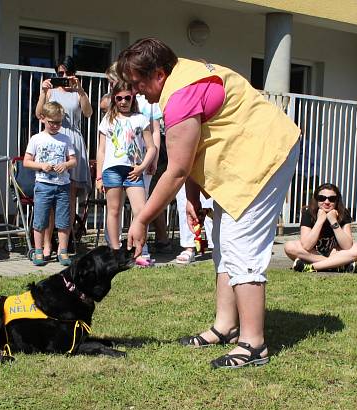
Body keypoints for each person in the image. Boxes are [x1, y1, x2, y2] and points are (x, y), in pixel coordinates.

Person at [118, 37, 301, 369]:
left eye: (137, 82)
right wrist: (192, 197)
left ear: (158, 73)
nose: (135, 91)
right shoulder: (180, 80)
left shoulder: (181, 94)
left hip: (265, 156)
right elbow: (192, 151)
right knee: (221, 241)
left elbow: (176, 169)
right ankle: (224, 325)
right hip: (246, 161)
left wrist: (141, 219)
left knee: (240, 243)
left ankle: (253, 343)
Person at [35, 56, 92, 259]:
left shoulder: (78, 92)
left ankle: (65, 245)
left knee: (68, 199)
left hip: (73, 142)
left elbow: (88, 113)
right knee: (50, 197)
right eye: (60, 74)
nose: (64, 77)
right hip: (53, 144)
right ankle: (48, 244)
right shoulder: (50, 91)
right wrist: (43, 92)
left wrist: (80, 90)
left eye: (68, 73)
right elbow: (38, 113)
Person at [95, 81, 156, 263]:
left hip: (133, 171)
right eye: (119, 98)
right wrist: (99, 176)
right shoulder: (108, 119)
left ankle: (137, 251)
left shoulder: (140, 119)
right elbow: (101, 150)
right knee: (114, 210)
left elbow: (151, 148)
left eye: (127, 98)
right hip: (112, 170)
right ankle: (115, 252)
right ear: (114, 99)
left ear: (133, 98)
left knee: (140, 211)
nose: (123, 102)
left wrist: (142, 167)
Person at [24, 101, 76, 267]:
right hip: (43, 185)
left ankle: (63, 250)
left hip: (62, 185)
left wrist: (65, 165)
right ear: (42, 119)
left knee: (63, 220)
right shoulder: (36, 138)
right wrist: (41, 166)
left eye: (58, 122)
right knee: (40, 220)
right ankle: (38, 251)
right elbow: (26, 161)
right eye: (51, 122)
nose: (55, 126)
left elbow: (73, 160)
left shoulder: (65, 139)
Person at [283, 183, 357, 272]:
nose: (326, 202)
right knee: (289, 246)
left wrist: (333, 221)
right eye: (322, 198)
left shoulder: (343, 213)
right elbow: (307, 246)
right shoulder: (308, 213)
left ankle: (310, 267)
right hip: (313, 253)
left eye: (332, 199)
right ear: (316, 199)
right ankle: (338, 264)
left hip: (336, 253)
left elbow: (347, 246)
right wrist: (320, 220)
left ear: (337, 200)